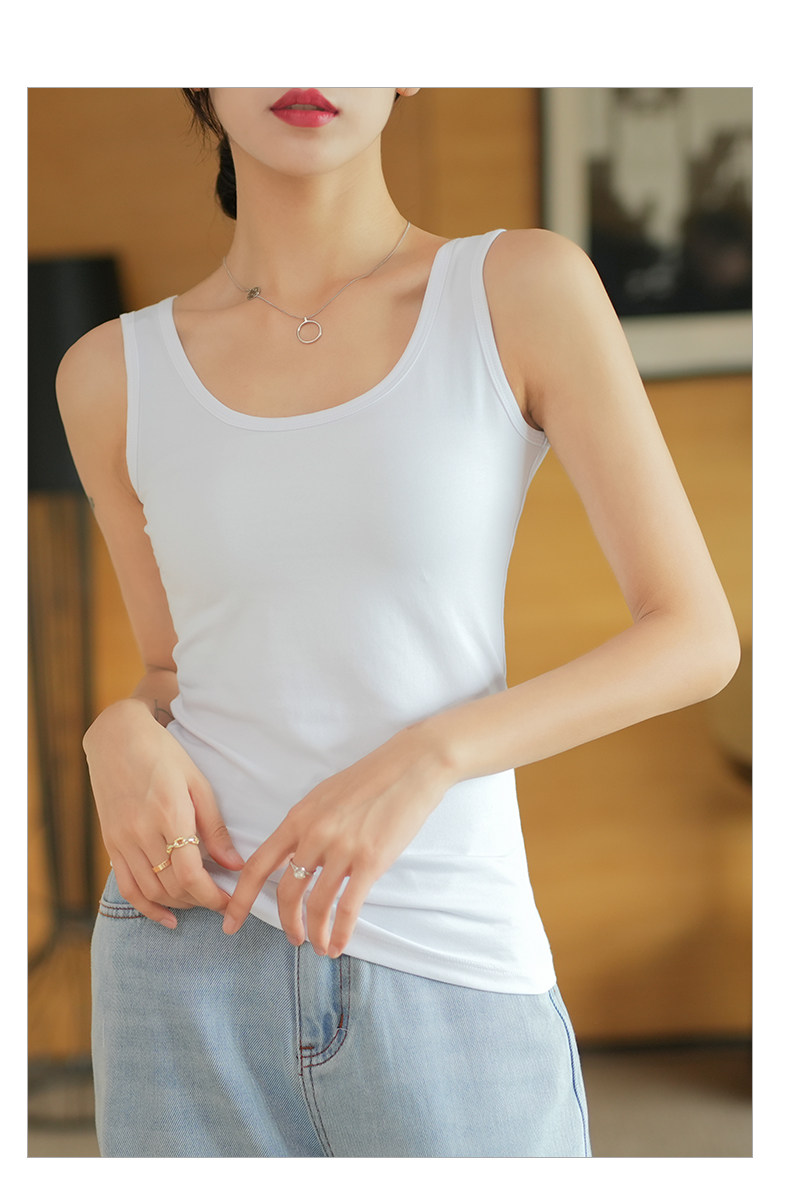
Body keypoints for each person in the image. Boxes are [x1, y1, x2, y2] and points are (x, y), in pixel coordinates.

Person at [56, 87, 740, 1159]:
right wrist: (115, 730)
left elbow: (694, 636)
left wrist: (433, 753)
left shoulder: (518, 289)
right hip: (181, 954)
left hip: (445, 953)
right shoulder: (108, 373)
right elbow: (170, 668)